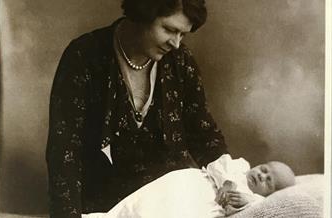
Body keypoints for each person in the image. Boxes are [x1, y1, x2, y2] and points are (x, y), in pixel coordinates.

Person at [46, 0, 228, 217]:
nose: (176, 43)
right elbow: (65, 148)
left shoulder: (181, 61)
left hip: (172, 202)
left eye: (183, 35)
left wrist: (229, 181)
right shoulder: (84, 56)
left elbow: (204, 133)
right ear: (143, 13)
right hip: (107, 206)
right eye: (170, 30)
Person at [81, 154, 295, 218]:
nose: (261, 176)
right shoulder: (240, 165)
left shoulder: (254, 199)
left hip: (201, 208)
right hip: (193, 184)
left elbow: (258, 208)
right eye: (264, 169)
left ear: (271, 193)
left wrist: (248, 199)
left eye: (269, 182)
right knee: (145, 203)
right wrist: (227, 183)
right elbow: (218, 164)